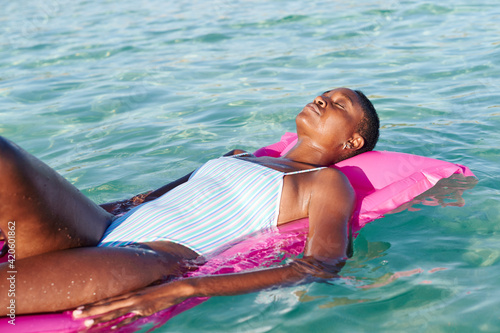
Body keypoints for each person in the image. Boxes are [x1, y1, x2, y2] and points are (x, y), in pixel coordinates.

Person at [0, 87, 379, 328]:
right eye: (323, 94)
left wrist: (185, 288)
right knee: (5, 156)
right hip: (101, 226)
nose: (320, 100)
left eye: (337, 104)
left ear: (353, 140)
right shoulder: (238, 155)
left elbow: (321, 265)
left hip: (144, 256)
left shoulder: (324, 182)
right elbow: (144, 198)